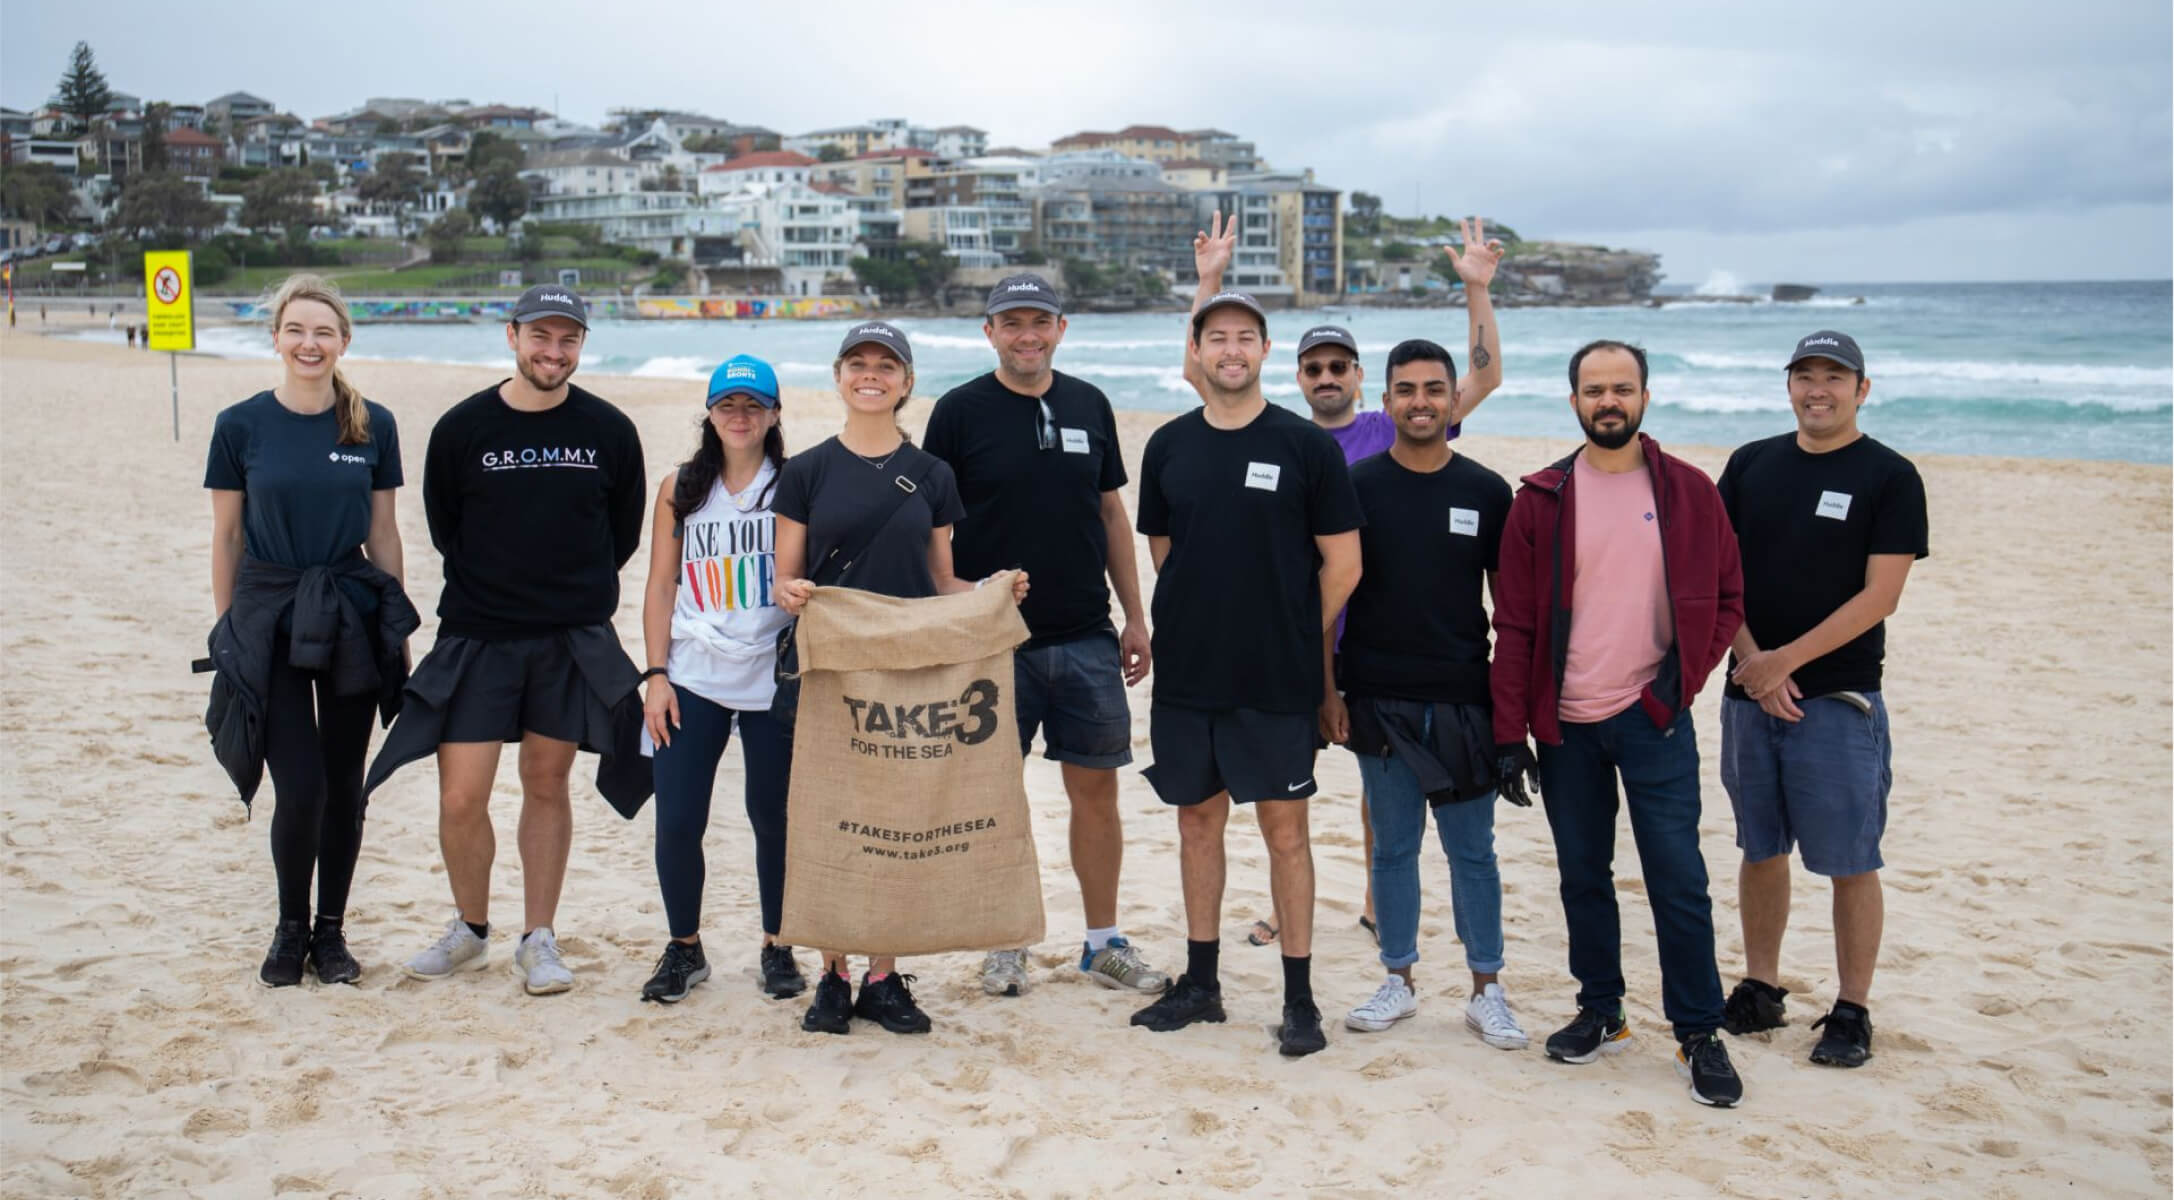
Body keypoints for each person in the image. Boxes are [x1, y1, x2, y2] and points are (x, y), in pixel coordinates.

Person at [1192, 214, 1506, 948]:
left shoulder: (1388, 431)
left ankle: (1374, 899)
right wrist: (1209, 284)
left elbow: (1482, 378)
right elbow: (1201, 367)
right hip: (1292, 643)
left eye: (1340, 367)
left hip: (1371, 647)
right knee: (1282, 787)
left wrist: (1477, 291)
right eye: (1315, 369)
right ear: (1295, 377)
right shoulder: (1272, 433)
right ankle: (1285, 908)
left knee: (1379, 791)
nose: (1328, 378)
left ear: (1363, 379)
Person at [366, 284, 648, 997]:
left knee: (546, 783)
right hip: (478, 634)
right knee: (462, 795)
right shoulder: (464, 429)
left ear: (580, 346)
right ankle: (470, 929)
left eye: (568, 340)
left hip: (567, 638)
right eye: (541, 338)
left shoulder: (609, 430)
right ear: (512, 336)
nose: (554, 353)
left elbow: (620, 534)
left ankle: (539, 938)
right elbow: (445, 527)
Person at [1489, 339, 1748, 1107]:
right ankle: (1601, 1011)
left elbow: (1728, 601)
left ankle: (1698, 1032)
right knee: (1582, 878)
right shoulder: (1540, 498)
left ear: (1644, 396)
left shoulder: (1691, 492)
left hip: (1653, 719)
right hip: (1564, 726)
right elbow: (1516, 627)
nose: (1610, 400)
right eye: (1595, 389)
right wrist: (1512, 734)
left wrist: (1675, 691)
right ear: (1574, 401)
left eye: (1622, 388)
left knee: (1679, 880)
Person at [772, 320, 1029, 1035]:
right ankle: (832, 974)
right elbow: (782, 577)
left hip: (914, 668)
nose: (872, 375)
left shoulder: (933, 474)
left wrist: (995, 592)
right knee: (833, 816)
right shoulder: (808, 470)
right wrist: (790, 594)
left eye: (887, 365)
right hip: (834, 663)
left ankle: (882, 977)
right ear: (839, 376)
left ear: (906, 382)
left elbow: (944, 580)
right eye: (858, 363)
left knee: (899, 816)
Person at [1129, 288, 1364, 1057]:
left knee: (1284, 830)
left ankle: (1300, 998)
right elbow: (1166, 551)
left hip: (1275, 676)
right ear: (1196, 352)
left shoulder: (1306, 447)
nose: (1231, 349)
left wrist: (1291, 625)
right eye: (1216, 337)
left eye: (1246, 338)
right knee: (1197, 822)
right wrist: (1207, 609)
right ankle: (1201, 985)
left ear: (1266, 353)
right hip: (1191, 674)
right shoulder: (1168, 444)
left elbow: (1344, 562)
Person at [923, 273, 1168, 999]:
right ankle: (1007, 942)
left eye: (1040, 321)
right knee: (998, 796)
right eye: (1011, 322)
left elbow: (1111, 514)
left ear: (1062, 327)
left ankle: (1101, 943)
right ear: (989, 332)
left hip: (1087, 634)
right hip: (992, 641)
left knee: (1097, 794)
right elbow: (934, 527)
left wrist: (1136, 615)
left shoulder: (1089, 402)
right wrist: (945, 609)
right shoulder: (959, 412)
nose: (1026, 334)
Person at [1715, 331, 1927, 1069]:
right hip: (1748, 695)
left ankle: (1851, 1007)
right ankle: (1761, 987)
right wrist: (1751, 663)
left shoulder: (1890, 477)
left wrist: (1784, 664)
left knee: (1850, 858)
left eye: (1834, 377)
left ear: (1862, 389)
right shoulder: (1750, 465)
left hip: (1838, 700)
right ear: (1789, 387)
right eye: (1804, 376)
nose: (1817, 389)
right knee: (1760, 848)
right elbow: (1719, 575)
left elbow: (1883, 595)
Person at [203, 273, 414, 987]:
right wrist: (230, 632)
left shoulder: (372, 425)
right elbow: (227, 537)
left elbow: (384, 534)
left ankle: (332, 935)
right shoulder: (240, 426)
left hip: (350, 611)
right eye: (296, 329)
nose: (309, 342)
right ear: (276, 338)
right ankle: (290, 930)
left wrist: (397, 629)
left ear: (344, 341)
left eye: (323, 331)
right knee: (300, 787)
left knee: (345, 785)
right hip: (270, 614)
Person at [1322, 338, 1527, 1049]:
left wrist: (1511, 710)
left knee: (1474, 852)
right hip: (1376, 698)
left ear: (1452, 401)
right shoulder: (1358, 487)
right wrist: (1329, 688)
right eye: (1405, 390)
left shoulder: (1485, 491)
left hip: (1465, 700)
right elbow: (1329, 592)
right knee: (1393, 850)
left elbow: (1511, 612)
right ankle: (1398, 979)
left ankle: (1486, 988)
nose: (1420, 402)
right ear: (1385, 403)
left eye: (1434, 389)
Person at [635, 354, 799, 1004]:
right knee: (677, 820)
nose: (740, 416)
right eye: (728, 404)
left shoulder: (794, 484)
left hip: (773, 676)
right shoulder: (681, 487)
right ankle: (684, 947)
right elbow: (659, 585)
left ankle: (778, 945)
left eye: (753, 405)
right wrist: (655, 675)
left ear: (774, 415)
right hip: (693, 674)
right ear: (709, 412)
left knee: (773, 818)